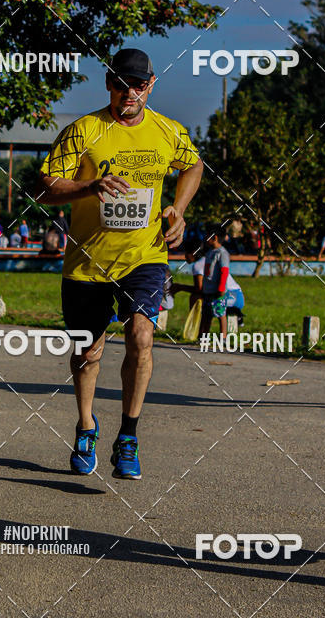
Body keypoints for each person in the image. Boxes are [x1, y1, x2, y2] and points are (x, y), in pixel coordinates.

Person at [36, 47, 203, 480]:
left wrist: (178, 210)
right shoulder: (85, 130)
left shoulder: (168, 131)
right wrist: (89, 187)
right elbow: (46, 188)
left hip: (144, 255)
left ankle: (129, 434)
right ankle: (86, 426)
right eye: (120, 83)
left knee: (141, 336)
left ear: (151, 85)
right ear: (108, 83)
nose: (129, 92)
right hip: (88, 263)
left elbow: (194, 165)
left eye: (138, 84)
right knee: (87, 351)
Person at [198, 227, 233, 337]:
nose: (205, 238)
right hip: (208, 289)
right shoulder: (209, 253)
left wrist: (221, 288)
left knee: (220, 313)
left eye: (208, 236)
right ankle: (204, 336)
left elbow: (224, 271)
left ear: (215, 238)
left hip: (218, 291)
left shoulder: (222, 253)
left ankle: (223, 337)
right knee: (206, 314)